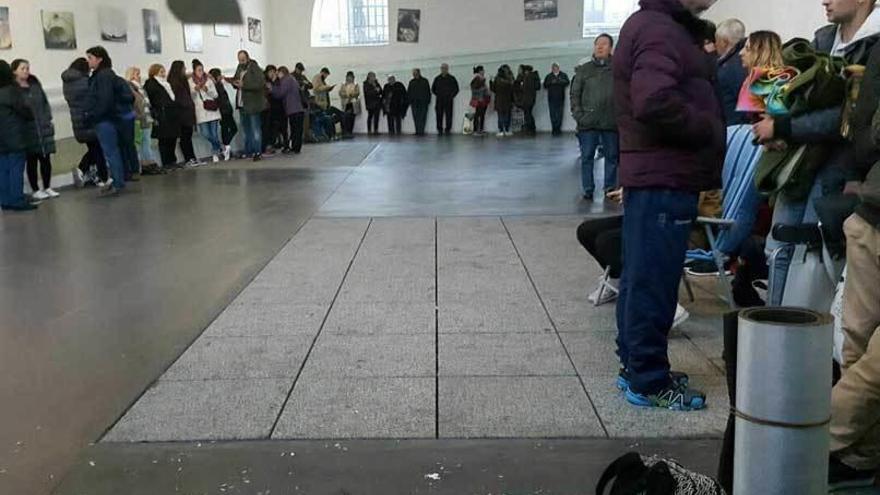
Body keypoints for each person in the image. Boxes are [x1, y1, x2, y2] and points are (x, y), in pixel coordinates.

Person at [613, 0, 724, 411]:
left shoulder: (659, 25)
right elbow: (653, 100)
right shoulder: (660, 30)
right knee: (654, 283)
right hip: (665, 175)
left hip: (659, 174)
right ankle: (649, 380)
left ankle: (636, 367)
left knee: (642, 277)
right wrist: (710, 128)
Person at [758, 0, 880, 305]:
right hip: (799, 165)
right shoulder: (822, 39)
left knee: (813, 259)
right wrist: (769, 117)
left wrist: (783, 127)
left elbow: (849, 116)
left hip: (838, 172)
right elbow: (780, 88)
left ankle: (803, 338)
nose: (824, 0)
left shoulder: (874, 46)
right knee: (779, 247)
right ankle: (775, 329)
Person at [826, 105, 880, 492]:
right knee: (856, 348)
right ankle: (859, 458)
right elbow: (863, 132)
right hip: (872, 216)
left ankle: (810, 437)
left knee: (873, 362)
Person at [571, 33, 618, 200]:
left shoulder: (618, 69)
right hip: (588, 122)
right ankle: (588, 189)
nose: (599, 47)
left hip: (611, 121)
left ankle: (610, 188)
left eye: (604, 44)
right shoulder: (584, 70)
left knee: (612, 156)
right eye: (597, 43)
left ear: (611, 48)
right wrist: (579, 116)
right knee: (587, 157)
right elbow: (575, 94)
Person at [85, 46, 133, 195]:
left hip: (105, 120)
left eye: (90, 58)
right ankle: (118, 180)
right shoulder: (105, 75)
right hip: (110, 118)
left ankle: (117, 183)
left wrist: (94, 115)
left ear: (99, 59)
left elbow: (104, 99)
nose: (88, 61)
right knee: (113, 151)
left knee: (111, 152)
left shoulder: (103, 76)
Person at [12, 59, 57, 200]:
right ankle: (35, 189)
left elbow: (45, 103)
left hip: (42, 128)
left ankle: (47, 186)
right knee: (31, 161)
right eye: (22, 68)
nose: (26, 71)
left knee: (46, 158)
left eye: (27, 68)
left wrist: (47, 119)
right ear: (14, 71)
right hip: (27, 130)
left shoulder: (35, 85)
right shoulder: (14, 90)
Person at [62, 58, 108, 187]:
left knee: (94, 148)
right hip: (89, 118)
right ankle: (101, 176)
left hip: (78, 120)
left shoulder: (68, 82)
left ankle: (89, 173)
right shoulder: (85, 82)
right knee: (98, 148)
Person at [0, 59, 36, 211]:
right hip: (15, 136)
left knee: (3, 170)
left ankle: (5, 200)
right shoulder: (11, 91)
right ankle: (17, 199)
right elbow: (25, 111)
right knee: (16, 168)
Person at [232, 50, 267, 161]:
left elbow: (260, 83)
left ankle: (257, 151)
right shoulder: (239, 68)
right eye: (239, 59)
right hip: (242, 103)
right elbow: (236, 79)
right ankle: (248, 151)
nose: (241, 61)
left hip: (253, 104)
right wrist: (234, 83)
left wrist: (244, 85)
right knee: (246, 129)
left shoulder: (254, 68)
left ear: (247, 58)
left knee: (255, 129)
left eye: (243, 59)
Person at [143, 64, 181, 168]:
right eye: (161, 72)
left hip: (171, 114)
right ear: (154, 72)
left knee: (172, 138)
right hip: (161, 114)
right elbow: (150, 100)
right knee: (164, 139)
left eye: (164, 71)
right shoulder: (150, 83)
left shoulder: (166, 84)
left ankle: (172, 160)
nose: (163, 74)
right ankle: (166, 162)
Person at [715, 19, 748, 125]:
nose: (715, 44)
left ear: (724, 42)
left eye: (717, 40)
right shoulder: (744, 59)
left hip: (736, 126)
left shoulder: (731, 66)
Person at [125, 67, 157, 172]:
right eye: (137, 74)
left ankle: (148, 163)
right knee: (140, 143)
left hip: (146, 118)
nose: (139, 76)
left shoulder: (141, 88)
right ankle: (143, 164)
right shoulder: (130, 87)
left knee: (146, 142)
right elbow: (136, 103)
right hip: (139, 119)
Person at [190, 60, 223, 163]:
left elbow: (215, 95)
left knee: (214, 133)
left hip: (212, 110)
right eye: (198, 70)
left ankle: (215, 152)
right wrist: (195, 90)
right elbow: (191, 96)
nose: (201, 72)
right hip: (200, 111)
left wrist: (207, 89)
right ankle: (222, 147)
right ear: (194, 71)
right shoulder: (190, 81)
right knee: (205, 134)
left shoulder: (208, 80)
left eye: (202, 70)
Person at [168, 60, 198, 167]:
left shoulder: (182, 81)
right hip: (182, 114)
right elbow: (178, 99)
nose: (185, 69)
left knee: (188, 136)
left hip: (187, 113)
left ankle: (191, 157)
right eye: (183, 68)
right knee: (185, 137)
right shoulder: (174, 83)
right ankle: (188, 158)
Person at [271, 66, 306, 154]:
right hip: (298, 108)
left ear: (281, 73)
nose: (277, 75)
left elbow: (280, 93)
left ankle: (295, 148)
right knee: (297, 130)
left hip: (293, 109)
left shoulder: (286, 80)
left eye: (277, 73)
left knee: (295, 129)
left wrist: (273, 87)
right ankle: (296, 147)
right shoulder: (292, 79)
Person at [209, 68, 237, 160]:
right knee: (231, 128)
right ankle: (226, 146)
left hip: (226, 110)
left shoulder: (219, 85)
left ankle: (226, 146)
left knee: (227, 129)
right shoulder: (217, 86)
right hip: (224, 111)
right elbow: (220, 100)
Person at [263, 64, 286, 154]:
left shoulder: (278, 81)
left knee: (280, 126)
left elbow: (280, 92)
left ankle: (283, 143)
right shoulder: (265, 82)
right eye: (270, 72)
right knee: (269, 127)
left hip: (279, 106)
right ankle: (269, 144)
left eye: (273, 72)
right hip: (269, 107)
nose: (272, 74)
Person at [543, 62, 570, 136]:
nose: (554, 69)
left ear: (558, 68)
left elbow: (567, 82)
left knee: (559, 114)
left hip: (560, 97)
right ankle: (554, 128)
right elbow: (545, 85)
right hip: (551, 98)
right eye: (553, 68)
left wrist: (559, 81)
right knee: (552, 114)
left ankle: (558, 128)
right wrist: (551, 82)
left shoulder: (563, 75)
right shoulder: (549, 76)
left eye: (556, 67)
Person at [432, 63, 459, 135]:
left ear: (447, 69)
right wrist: (438, 94)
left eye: (445, 68)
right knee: (439, 115)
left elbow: (456, 89)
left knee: (449, 115)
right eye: (442, 68)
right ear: (440, 69)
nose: (443, 70)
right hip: (439, 100)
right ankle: (439, 129)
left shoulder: (452, 78)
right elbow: (433, 89)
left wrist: (451, 96)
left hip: (448, 100)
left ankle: (448, 129)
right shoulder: (437, 79)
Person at [514, 65, 541, 135]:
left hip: (526, 99)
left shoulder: (526, 78)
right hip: (531, 98)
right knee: (528, 113)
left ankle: (530, 128)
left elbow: (519, 87)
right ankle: (531, 128)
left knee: (527, 113)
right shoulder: (533, 77)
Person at [491, 65, 515, 137]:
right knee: (507, 115)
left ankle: (501, 130)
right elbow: (512, 89)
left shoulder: (497, 80)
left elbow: (493, 89)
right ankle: (507, 129)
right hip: (508, 100)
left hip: (499, 100)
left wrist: (490, 82)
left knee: (500, 115)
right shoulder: (509, 80)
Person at [293, 63, 314, 142]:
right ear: (296, 69)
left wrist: (306, 84)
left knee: (306, 118)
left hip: (304, 99)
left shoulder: (303, 77)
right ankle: (299, 137)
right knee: (298, 121)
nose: (301, 72)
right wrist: (301, 85)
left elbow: (311, 85)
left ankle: (306, 136)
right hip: (297, 100)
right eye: (300, 70)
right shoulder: (292, 76)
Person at [408, 69, 431, 136]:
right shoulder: (411, 82)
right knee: (415, 117)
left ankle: (421, 131)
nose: (414, 74)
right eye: (413, 73)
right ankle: (417, 131)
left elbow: (428, 92)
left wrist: (428, 101)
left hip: (423, 102)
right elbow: (409, 92)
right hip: (414, 103)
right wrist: (410, 101)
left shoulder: (425, 81)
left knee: (422, 117)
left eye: (415, 73)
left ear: (419, 73)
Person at [469, 66, 490, 136]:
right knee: (478, 114)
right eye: (483, 70)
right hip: (479, 100)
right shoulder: (477, 79)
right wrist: (483, 90)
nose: (484, 71)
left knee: (481, 115)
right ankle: (476, 130)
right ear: (480, 71)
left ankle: (481, 129)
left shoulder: (481, 79)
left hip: (483, 99)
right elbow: (474, 89)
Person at [338, 71, 360, 138]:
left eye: (351, 77)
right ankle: (346, 131)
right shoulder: (343, 84)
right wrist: (347, 95)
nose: (349, 79)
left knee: (352, 118)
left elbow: (357, 93)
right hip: (345, 103)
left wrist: (352, 95)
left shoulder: (356, 84)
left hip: (353, 103)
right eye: (348, 77)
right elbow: (340, 93)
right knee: (345, 117)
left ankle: (350, 131)